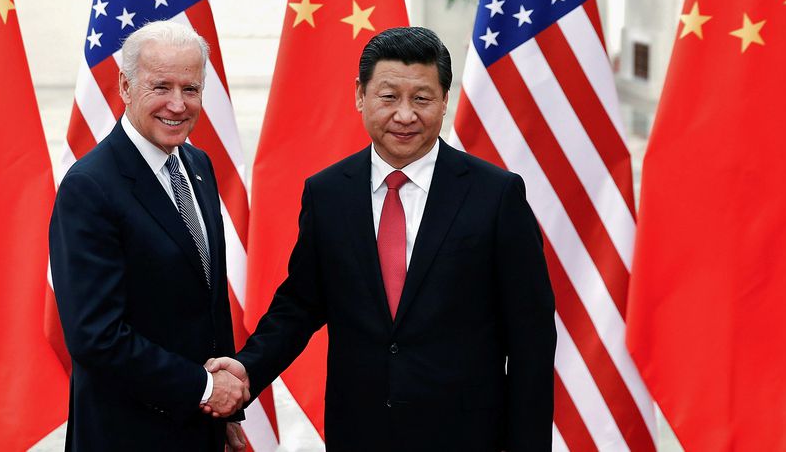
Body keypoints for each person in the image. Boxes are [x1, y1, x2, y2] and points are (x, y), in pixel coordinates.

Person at [208, 26, 556, 450]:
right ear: (360, 95)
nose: (405, 115)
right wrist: (248, 370)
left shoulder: (496, 195)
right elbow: (299, 306)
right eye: (389, 97)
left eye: (422, 99)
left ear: (445, 100)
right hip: (359, 432)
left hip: (465, 435)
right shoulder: (328, 193)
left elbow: (532, 340)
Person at [50, 20, 248, 451]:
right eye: (161, 87)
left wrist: (226, 411)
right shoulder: (90, 187)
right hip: (126, 433)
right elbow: (95, 335)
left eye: (191, 89)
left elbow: (208, 300)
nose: (177, 105)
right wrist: (202, 387)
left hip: (200, 427)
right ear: (125, 86)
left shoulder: (198, 166)